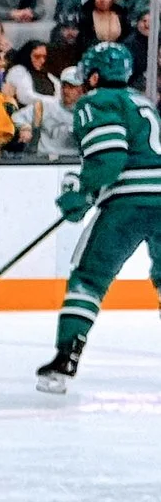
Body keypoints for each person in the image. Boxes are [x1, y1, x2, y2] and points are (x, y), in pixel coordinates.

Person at [36, 41, 161, 393]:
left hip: (128, 203)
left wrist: (80, 194)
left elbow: (109, 160)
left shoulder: (96, 102)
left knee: (88, 278)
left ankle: (65, 359)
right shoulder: (144, 101)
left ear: (94, 75)